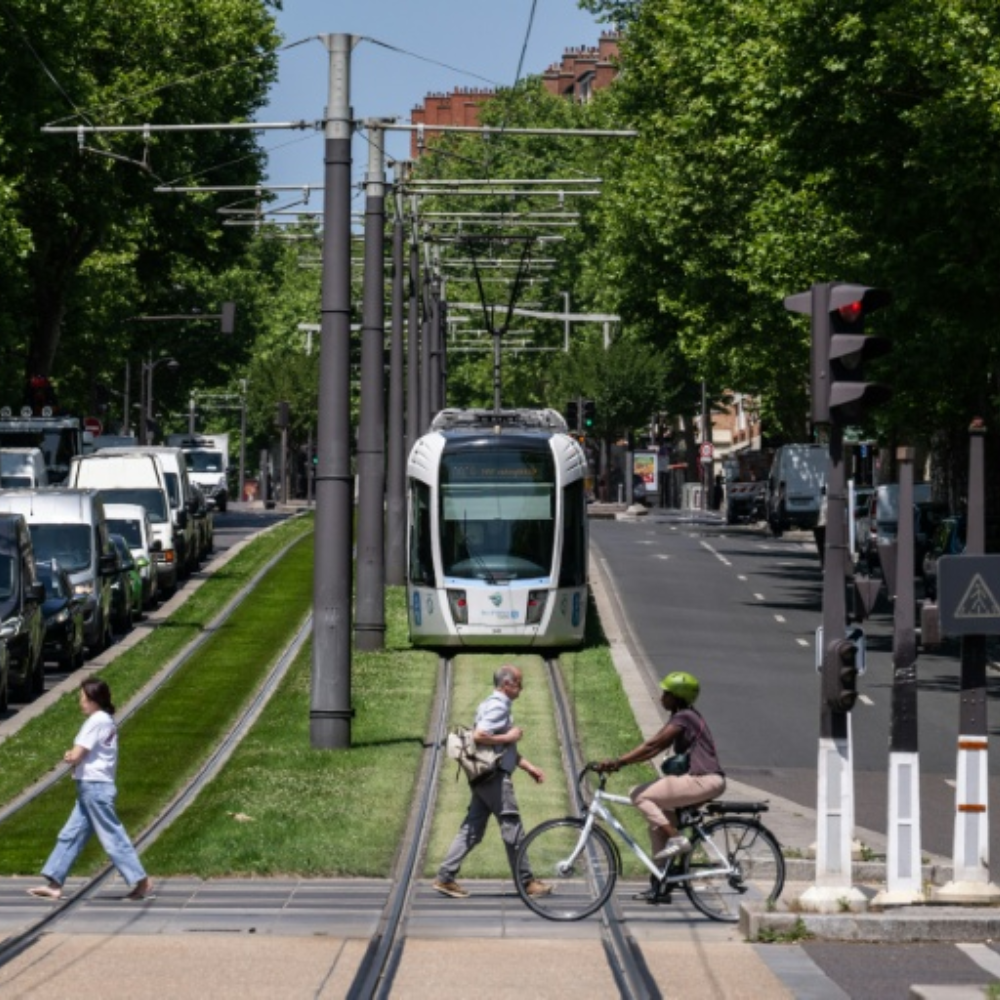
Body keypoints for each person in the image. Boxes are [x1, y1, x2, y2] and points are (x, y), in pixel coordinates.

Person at [27, 676, 154, 902]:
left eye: (83, 698)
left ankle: (141, 880)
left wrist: (69, 756)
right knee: (71, 834)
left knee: (113, 836)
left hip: (95, 787)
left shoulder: (96, 720)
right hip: (91, 787)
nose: (81, 702)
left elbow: (78, 753)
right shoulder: (105, 720)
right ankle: (55, 884)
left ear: (95, 699)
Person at [433, 664, 551, 899]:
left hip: (484, 777)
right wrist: (510, 736)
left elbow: (496, 747)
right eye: (519, 683)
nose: (522, 688)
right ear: (507, 685)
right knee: (512, 827)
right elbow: (480, 736)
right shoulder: (498, 706)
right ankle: (526, 882)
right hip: (494, 779)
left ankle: (445, 877)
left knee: (472, 828)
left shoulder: (489, 703)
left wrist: (528, 767)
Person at [596, 671, 725, 863]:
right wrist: (622, 763)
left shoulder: (685, 717)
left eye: (666, 694)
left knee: (639, 795)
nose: (661, 697)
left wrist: (618, 762)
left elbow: (652, 745)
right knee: (658, 825)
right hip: (706, 780)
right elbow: (654, 750)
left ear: (676, 697)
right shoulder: (684, 717)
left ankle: (677, 839)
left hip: (703, 779)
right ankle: (660, 883)